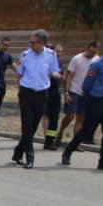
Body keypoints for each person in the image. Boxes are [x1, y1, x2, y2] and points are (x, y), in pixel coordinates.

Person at [61, 38, 103, 171]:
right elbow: (87, 85)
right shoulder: (98, 64)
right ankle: (68, 151)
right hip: (96, 101)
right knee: (86, 131)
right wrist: (91, 99)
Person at [11, 29, 61, 169]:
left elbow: (53, 70)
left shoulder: (51, 55)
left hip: (42, 93)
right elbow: (20, 74)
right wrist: (19, 89)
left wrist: (56, 74)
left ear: (42, 43)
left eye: (34, 42)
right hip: (26, 92)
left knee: (33, 126)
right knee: (27, 125)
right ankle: (30, 157)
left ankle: (18, 152)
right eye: (30, 42)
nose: (31, 45)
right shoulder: (25, 55)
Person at [60, 41, 99, 146]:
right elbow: (68, 77)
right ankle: (60, 132)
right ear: (87, 48)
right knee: (70, 116)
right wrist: (67, 93)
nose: (92, 55)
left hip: (86, 93)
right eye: (91, 52)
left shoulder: (97, 61)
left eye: (94, 53)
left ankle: (75, 143)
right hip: (74, 90)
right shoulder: (77, 59)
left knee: (81, 118)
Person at [41, 43, 65, 149]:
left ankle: (51, 139)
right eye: (57, 51)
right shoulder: (46, 60)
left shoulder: (59, 62)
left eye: (61, 52)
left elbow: (62, 76)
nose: (59, 54)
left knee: (55, 117)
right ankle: (47, 139)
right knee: (47, 115)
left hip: (56, 91)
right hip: (46, 90)